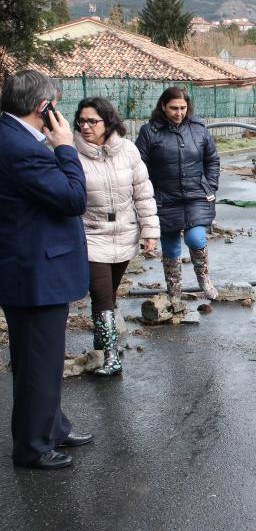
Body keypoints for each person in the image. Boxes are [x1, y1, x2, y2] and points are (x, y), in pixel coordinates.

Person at [0, 70, 93, 469]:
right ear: (45, 107)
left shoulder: (13, 138)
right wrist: (66, 148)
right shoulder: (22, 147)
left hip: (28, 267)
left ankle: (52, 426)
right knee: (39, 360)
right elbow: (73, 198)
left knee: (41, 358)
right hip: (34, 272)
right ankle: (33, 447)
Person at [74, 97, 160, 376]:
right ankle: (111, 356)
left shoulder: (128, 151)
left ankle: (102, 347)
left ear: (107, 122)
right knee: (100, 294)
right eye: (81, 120)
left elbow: (143, 193)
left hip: (124, 232)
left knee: (109, 294)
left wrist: (149, 231)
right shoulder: (70, 153)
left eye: (92, 121)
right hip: (91, 234)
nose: (85, 126)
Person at [135, 87, 220, 302]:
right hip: (164, 198)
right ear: (163, 106)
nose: (179, 113)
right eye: (173, 108)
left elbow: (212, 160)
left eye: (183, 108)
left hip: (196, 195)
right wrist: (148, 194)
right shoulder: (149, 132)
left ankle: (204, 280)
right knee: (171, 245)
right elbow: (138, 166)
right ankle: (174, 291)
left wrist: (210, 186)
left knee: (195, 237)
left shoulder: (198, 129)